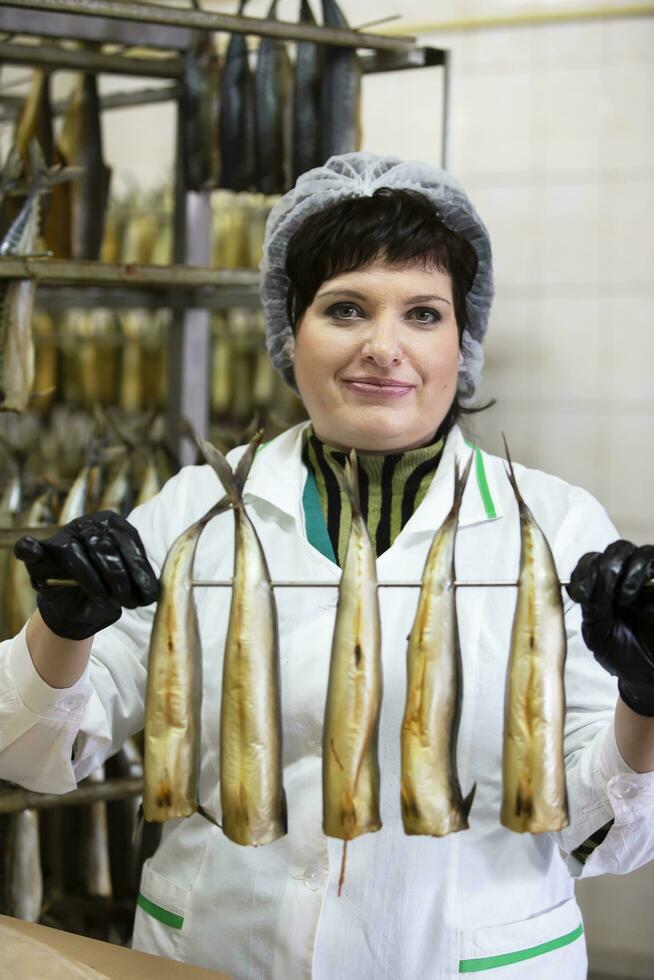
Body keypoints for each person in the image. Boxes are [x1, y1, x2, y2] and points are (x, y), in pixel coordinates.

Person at [1, 153, 653, 979]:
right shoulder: (196, 507)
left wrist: (646, 700)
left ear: (464, 338)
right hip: (216, 954)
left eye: (423, 314)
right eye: (346, 308)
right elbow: (32, 755)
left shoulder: (558, 528)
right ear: (288, 328)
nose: (385, 348)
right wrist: (61, 630)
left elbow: (612, 833)